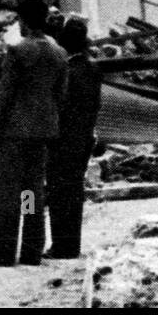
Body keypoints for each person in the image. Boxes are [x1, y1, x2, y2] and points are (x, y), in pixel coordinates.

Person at [0, 0, 66, 267]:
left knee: (8, 192)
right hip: (43, 131)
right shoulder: (59, 53)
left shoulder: (18, 51)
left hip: (15, 131)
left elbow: (5, 95)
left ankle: (4, 253)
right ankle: (31, 251)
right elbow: (60, 96)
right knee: (32, 192)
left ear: (22, 20)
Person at [45, 14, 101, 259]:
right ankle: (71, 245)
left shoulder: (67, 71)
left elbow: (60, 106)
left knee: (58, 193)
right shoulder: (92, 67)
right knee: (74, 192)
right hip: (84, 137)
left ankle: (61, 245)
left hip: (63, 139)